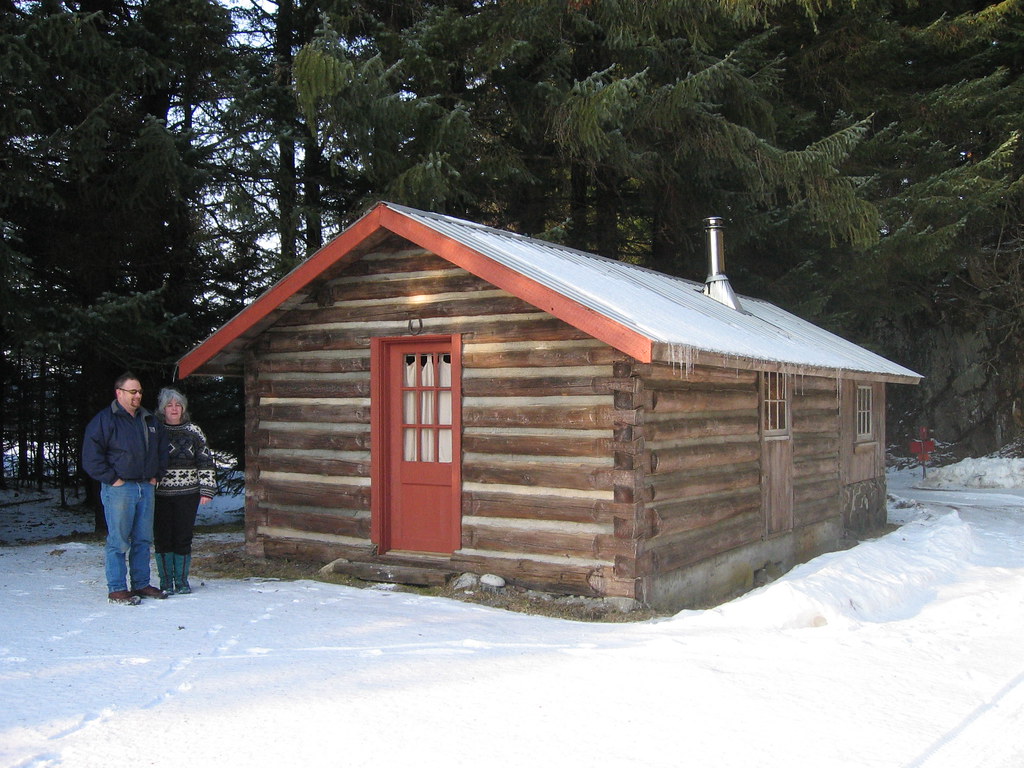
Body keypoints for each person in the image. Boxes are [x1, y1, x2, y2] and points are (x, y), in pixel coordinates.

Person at [82, 373, 169, 605]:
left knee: (143, 539)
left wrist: (156, 475)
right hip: (120, 489)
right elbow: (91, 457)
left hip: (146, 487)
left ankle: (141, 584)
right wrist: (113, 479)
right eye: (133, 392)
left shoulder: (148, 419)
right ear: (118, 393)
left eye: (139, 391)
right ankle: (117, 588)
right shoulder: (104, 420)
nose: (138, 396)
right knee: (119, 540)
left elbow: (162, 450)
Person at [154, 387, 216, 595]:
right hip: (159, 494)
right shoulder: (155, 430)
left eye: (177, 405)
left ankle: (181, 581)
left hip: (188, 493)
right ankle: (165, 582)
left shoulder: (193, 431)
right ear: (163, 409)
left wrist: (207, 489)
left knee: (183, 536)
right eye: (169, 405)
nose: (174, 409)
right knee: (163, 537)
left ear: (183, 408)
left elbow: (206, 461)